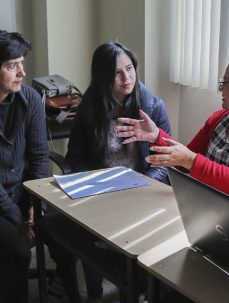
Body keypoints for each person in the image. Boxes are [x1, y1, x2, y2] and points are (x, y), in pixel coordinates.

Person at [116, 51, 229, 210]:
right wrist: (156, 136)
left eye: (225, 82)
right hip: (209, 216)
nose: (220, 88)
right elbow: (185, 160)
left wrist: (190, 160)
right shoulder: (222, 118)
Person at [66, 42, 171, 302]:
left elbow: (165, 161)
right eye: (117, 73)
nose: (127, 78)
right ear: (103, 77)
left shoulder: (153, 106)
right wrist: (93, 184)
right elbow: (75, 155)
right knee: (88, 240)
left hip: (141, 191)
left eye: (130, 69)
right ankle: (94, 293)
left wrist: (143, 185)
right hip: (100, 191)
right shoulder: (91, 105)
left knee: (132, 261)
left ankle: (129, 292)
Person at [0, 30, 48, 303]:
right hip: (1, 202)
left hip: (24, 193)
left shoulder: (30, 100)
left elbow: (40, 157)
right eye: (11, 66)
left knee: (71, 228)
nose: (21, 73)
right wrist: (18, 218)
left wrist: (35, 204)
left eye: (22, 63)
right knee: (19, 252)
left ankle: (64, 289)